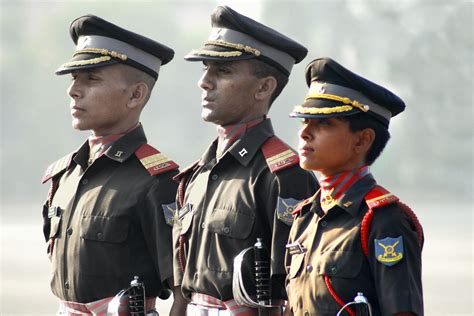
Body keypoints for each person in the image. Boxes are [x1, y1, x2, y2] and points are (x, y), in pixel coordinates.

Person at [172, 5, 318, 316]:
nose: (205, 82)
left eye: (222, 71)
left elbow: (297, 292)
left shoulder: (284, 176)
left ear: (264, 87)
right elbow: (184, 289)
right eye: (205, 69)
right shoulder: (197, 175)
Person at [41, 15, 186, 315]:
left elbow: (183, 291)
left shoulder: (156, 182)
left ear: (136, 94)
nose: (73, 90)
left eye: (91, 78)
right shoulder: (64, 176)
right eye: (74, 78)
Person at [285, 57, 424, 316]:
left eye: (324, 123)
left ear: (362, 140)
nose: (305, 132)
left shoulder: (383, 221)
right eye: (304, 121)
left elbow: (402, 311)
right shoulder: (305, 217)